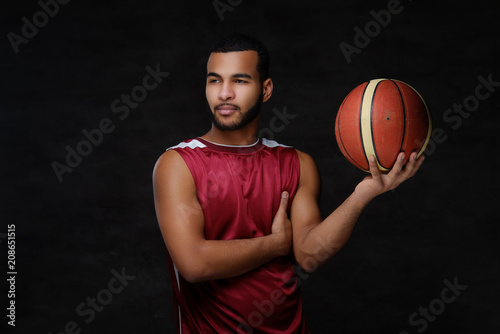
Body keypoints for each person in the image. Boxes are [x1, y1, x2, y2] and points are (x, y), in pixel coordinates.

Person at [152, 34, 424, 333]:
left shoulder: (297, 163)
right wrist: (274, 245)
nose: (224, 93)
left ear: (265, 89)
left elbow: (309, 255)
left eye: (240, 81)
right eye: (215, 80)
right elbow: (194, 264)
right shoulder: (177, 164)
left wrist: (363, 195)